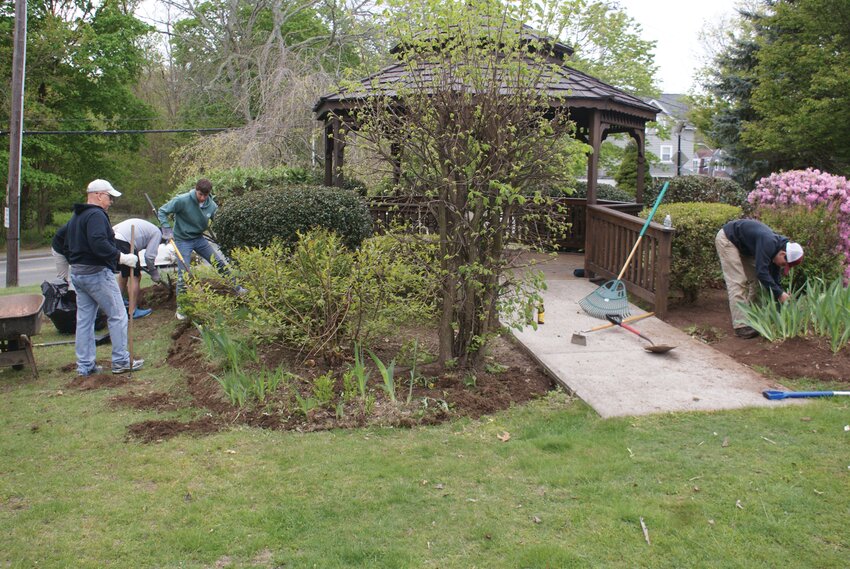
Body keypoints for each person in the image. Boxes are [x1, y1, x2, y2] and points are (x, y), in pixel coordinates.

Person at [66, 179, 144, 376]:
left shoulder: (78, 215)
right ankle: (120, 361)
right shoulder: (96, 215)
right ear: (99, 195)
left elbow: (64, 241)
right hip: (96, 273)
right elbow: (98, 243)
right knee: (118, 315)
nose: (110, 202)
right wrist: (122, 257)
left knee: (85, 320)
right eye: (109, 197)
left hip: (78, 273)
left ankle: (85, 366)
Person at [157, 178, 245, 320]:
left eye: (205, 195)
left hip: (199, 238)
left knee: (218, 262)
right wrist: (166, 229)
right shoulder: (182, 200)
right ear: (196, 190)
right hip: (182, 240)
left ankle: (238, 288)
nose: (202, 197)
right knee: (184, 273)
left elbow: (219, 221)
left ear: (209, 193)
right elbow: (162, 211)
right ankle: (182, 307)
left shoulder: (212, 205)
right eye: (200, 194)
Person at [715, 219, 804, 339]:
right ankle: (740, 326)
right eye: (784, 264)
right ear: (783, 254)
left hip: (743, 247)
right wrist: (780, 294)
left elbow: (773, 278)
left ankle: (752, 314)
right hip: (728, 240)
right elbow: (762, 272)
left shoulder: (776, 250)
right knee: (738, 282)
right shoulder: (769, 242)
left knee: (758, 282)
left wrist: (781, 294)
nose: (783, 267)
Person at [112, 218, 163, 319]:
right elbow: (149, 256)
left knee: (124, 272)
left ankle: (119, 301)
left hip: (112, 238)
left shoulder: (148, 228)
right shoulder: (157, 233)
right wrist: (153, 272)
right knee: (135, 276)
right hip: (124, 241)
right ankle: (133, 311)